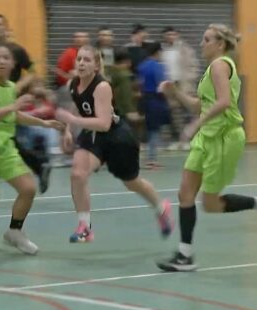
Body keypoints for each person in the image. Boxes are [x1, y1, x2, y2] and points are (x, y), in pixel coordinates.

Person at [157, 24, 257, 272]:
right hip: (207, 137)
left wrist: (196, 125)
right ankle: (185, 255)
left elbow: (225, 102)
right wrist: (176, 93)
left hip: (224, 138)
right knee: (185, 194)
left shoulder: (220, 65)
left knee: (210, 204)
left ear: (220, 44)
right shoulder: (211, 70)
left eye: (207, 40)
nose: (201, 43)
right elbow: (199, 105)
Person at [57, 45, 172, 243]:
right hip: (92, 135)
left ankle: (161, 208)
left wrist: (73, 122)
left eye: (87, 60)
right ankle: (85, 227)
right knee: (77, 173)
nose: (82, 63)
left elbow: (103, 123)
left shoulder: (102, 87)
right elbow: (78, 108)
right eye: (79, 59)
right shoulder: (73, 84)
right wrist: (68, 129)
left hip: (117, 138)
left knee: (132, 183)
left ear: (96, 66)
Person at [0, 44, 64, 255]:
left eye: (5, 57)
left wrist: (43, 123)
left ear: (13, 63)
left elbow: (14, 116)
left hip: (5, 148)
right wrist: (13, 106)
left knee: (28, 189)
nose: (1, 61)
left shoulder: (10, 88)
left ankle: (15, 232)